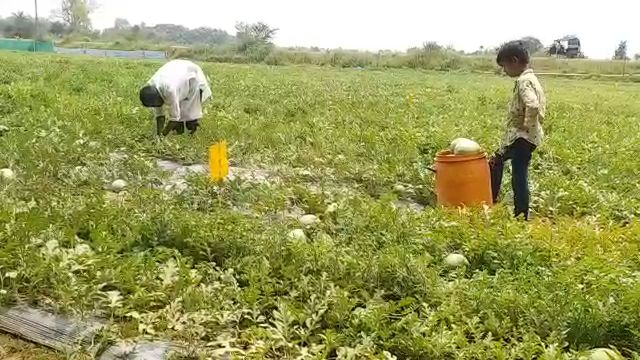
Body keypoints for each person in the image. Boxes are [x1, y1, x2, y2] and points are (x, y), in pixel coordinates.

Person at [490, 41, 546, 220]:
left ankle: (519, 214)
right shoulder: (532, 78)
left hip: (522, 138)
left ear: (514, 61)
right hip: (527, 137)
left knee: (517, 175)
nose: (504, 71)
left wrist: (525, 126)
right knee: (498, 160)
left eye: (504, 66)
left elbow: (533, 105)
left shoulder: (524, 81)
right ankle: (494, 200)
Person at [139, 59, 212, 136]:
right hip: (177, 72)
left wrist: (163, 135)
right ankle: (180, 130)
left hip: (191, 73)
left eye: (155, 104)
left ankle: (193, 132)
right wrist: (158, 134)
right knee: (178, 125)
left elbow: (175, 118)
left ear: (158, 97)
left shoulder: (170, 90)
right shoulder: (152, 88)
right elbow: (160, 115)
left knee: (190, 114)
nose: (156, 107)